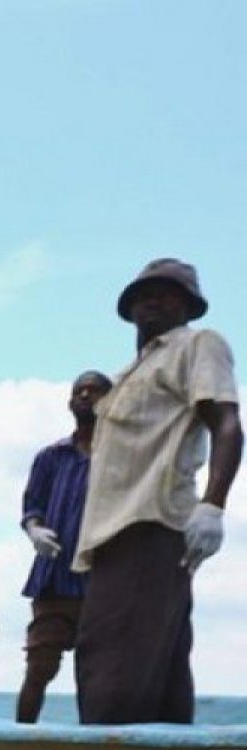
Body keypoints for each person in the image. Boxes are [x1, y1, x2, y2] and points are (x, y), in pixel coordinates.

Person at [73, 258, 240, 724]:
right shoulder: (126, 375)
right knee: (159, 671)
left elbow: (227, 423)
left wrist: (213, 504)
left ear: (188, 306)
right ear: (129, 308)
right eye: (144, 293)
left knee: (108, 669)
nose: (153, 300)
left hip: (150, 525)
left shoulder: (198, 345)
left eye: (169, 293)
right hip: (112, 536)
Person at [15, 370, 112, 723]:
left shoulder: (122, 457)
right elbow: (32, 507)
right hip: (54, 579)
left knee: (96, 673)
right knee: (38, 667)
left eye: (95, 391)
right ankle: (19, 746)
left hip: (103, 581)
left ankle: (94, 747)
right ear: (70, 403)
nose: (86, 397)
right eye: (79, 392)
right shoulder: (50, 456)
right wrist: (35, 531)